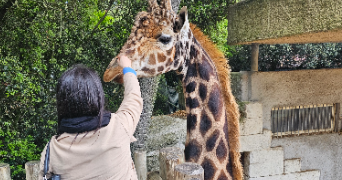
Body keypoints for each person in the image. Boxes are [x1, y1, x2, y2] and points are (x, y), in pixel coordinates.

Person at [38, 55, 143, 180]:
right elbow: (133, 98)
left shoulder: (52, 151)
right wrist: (127, 68)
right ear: (97, 96)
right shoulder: (119, 127)